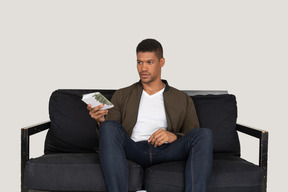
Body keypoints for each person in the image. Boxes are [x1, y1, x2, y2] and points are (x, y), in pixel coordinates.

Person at [87, 39, 213, 192]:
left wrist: (174, 136)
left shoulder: (182, 98)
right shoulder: (122, 95)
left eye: (149, 62)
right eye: (139, 62)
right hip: (134, 148)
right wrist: (101, 122)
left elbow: (192, 134)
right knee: (108, 126)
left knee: (204, 134)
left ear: (162, 62)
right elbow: (112, 134)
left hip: (167, 150)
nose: (143, 68)